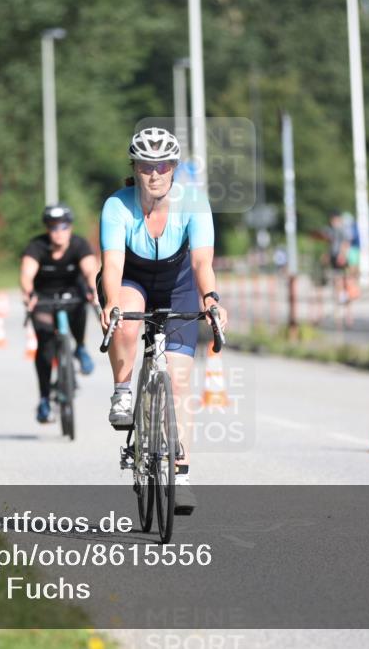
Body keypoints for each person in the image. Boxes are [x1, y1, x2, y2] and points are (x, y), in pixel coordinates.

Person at [98, 127, 227, 515]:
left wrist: (211, 299)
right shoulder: (117, 206)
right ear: (134, 168)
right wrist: (110, 301)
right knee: (126, 322)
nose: (154, 174)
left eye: (162, 166)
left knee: (180, 380)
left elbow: (202, 262)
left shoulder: (194, 202)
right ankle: (123, 390)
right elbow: (112, 264)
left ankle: (180, 474)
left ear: (173, 167)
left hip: (179, 285)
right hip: (132, 278)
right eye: (145, 166)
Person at [21, 204, 99, 424]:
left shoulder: (79, 244)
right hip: (43, 299)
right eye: (53, 227)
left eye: (63, 226)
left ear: (70, 227)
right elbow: (27, 274)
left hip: (72, 295)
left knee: (81, 305)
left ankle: (80, 347)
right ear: (47, 229)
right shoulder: (36, 246)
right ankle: (44, 399)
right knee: (45, 346)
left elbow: (90, 270)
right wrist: (28, 293)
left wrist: (93, 289)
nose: (58, 232)